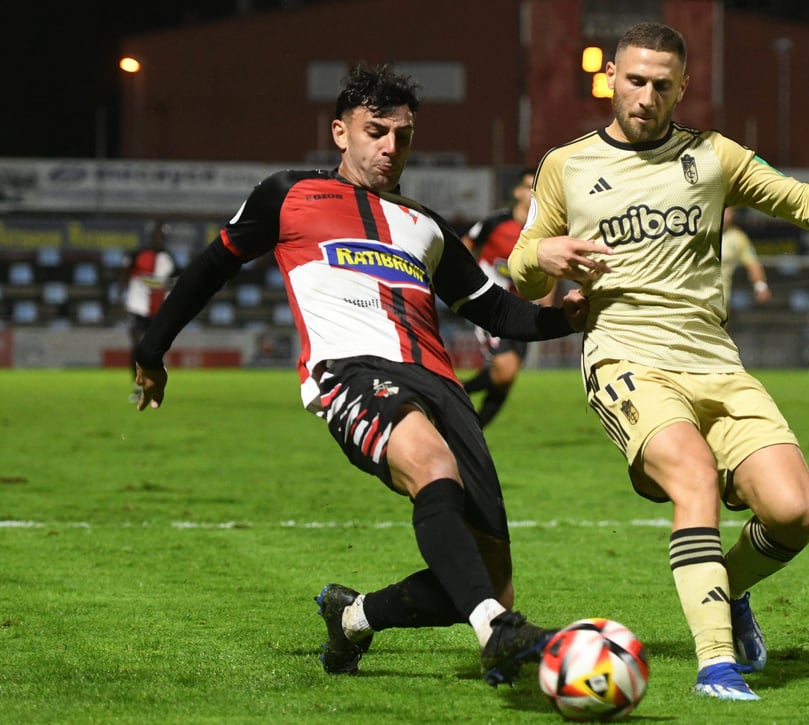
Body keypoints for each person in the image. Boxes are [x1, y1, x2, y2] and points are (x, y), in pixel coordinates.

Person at [131, 63, 587, 686]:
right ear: (340, 131)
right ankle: (498, 636)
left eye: (403, 135)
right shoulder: (287, 194)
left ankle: (355, 617)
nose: (390, 147)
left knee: (485, 580)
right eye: (376, 131)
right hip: (350, 370)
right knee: (432, 467)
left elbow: (496, 309)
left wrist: (565, 317)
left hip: (442, 386)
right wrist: (152, 351)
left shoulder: (427, 227)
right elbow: (213, 267)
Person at [508, 21, 809, 701]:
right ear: (612, 77)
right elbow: (523, 270)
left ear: (683, 87)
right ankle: (717, 663)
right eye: (634, 80)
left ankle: (726, 588)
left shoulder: (715, 155)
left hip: (716, 362)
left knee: (795, 511)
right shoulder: (566, 165)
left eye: (661, 84)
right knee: (694, 474)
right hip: (626, 358)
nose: (645, 95)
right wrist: (545, 256)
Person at [460, 168, 542, 427]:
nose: (532, 196)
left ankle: (472, 428)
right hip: (490, 305)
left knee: (505, 379)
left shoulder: (543, 230)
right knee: (505, 370)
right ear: (518, 192)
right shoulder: (496, 222)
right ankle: (448, 396)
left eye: (537, 190)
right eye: (529, 188)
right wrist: (465, 280)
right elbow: (465, 245)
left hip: (521, 308)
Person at [121, 221, 178, 403]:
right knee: (137, 348)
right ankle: (138, 386)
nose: (159, 239)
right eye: (156, 235)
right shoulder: (137, 254)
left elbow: (173, 283)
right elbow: (123, 276)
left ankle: (154, 385)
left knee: (153, 351)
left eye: (162, 236)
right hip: (137, 307)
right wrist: (119, 299)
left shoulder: (169, 259)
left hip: (158, 311)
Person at [719, 206, 770, 308]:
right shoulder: (699, 232)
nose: (724, 215)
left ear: (733, 213)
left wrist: (760, 286)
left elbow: (752, 263)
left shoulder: (739, 238)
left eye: (728, 211)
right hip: (692, 296)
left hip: (721, 300)